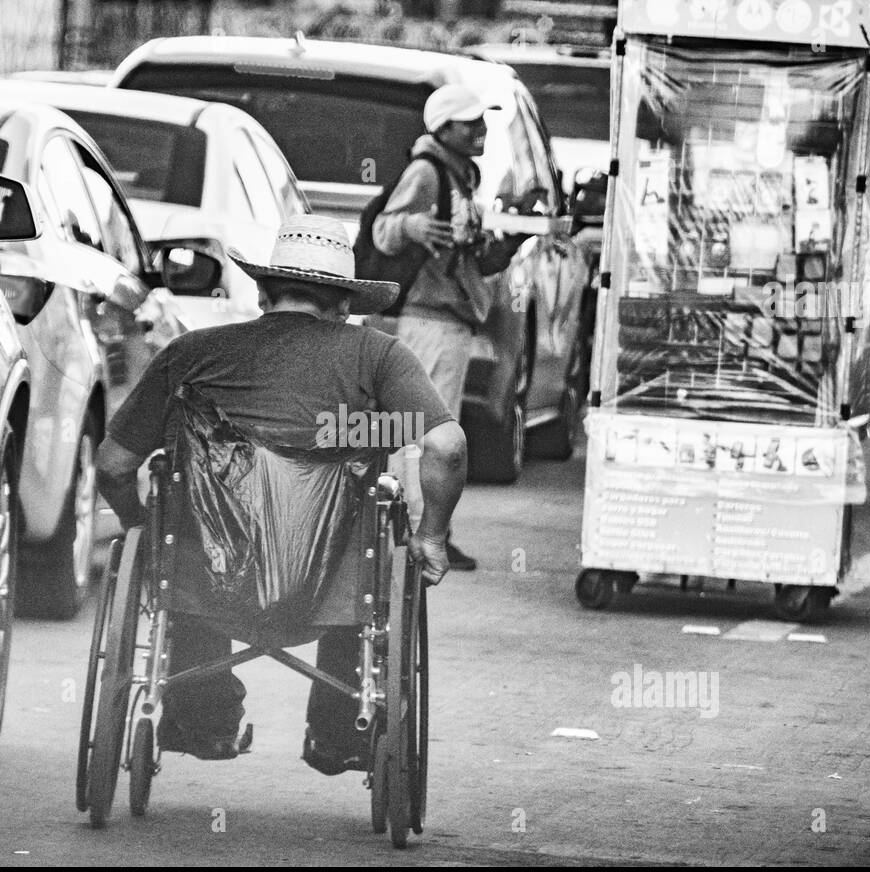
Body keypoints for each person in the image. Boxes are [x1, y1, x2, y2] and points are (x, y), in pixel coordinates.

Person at [95, 214, 468, 773]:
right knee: (367, 519)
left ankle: (203, 723)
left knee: (185, 530)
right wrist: (432, 536)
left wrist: (141, 534)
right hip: (333, 588)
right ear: (344, 305)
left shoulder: (190, 354)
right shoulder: (378, 356)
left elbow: (114, 465)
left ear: (264, 294)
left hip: (206, 580)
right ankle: (338, 736)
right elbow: (446, 447)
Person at [371, 83, 543, 571]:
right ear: (443, 129)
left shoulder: (459, 177)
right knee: (425, 434)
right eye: (470, 123)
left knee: (426, 431)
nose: (481, 129)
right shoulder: (427, 172)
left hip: (449, 322)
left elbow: (471, 258)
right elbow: (385, 230)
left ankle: (424, 529)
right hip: (431, 322)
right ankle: (417, 532)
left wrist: (512, 235)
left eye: (481, 120)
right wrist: (411, 227)